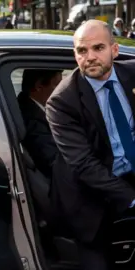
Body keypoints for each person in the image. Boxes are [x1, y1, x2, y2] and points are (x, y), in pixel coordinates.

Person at [46, 19, 135, 270]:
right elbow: (84, 165)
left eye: (98, 48)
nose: (90, 57)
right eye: (82, 51)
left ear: (114, 50)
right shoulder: (62, 102)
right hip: (89, 199)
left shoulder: (133, 74)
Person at [17, 69, 62, 178]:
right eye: (58, 85)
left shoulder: (30, 108)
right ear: (39, 86)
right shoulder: (31, 119)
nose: (63, 90)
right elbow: (52, 161)